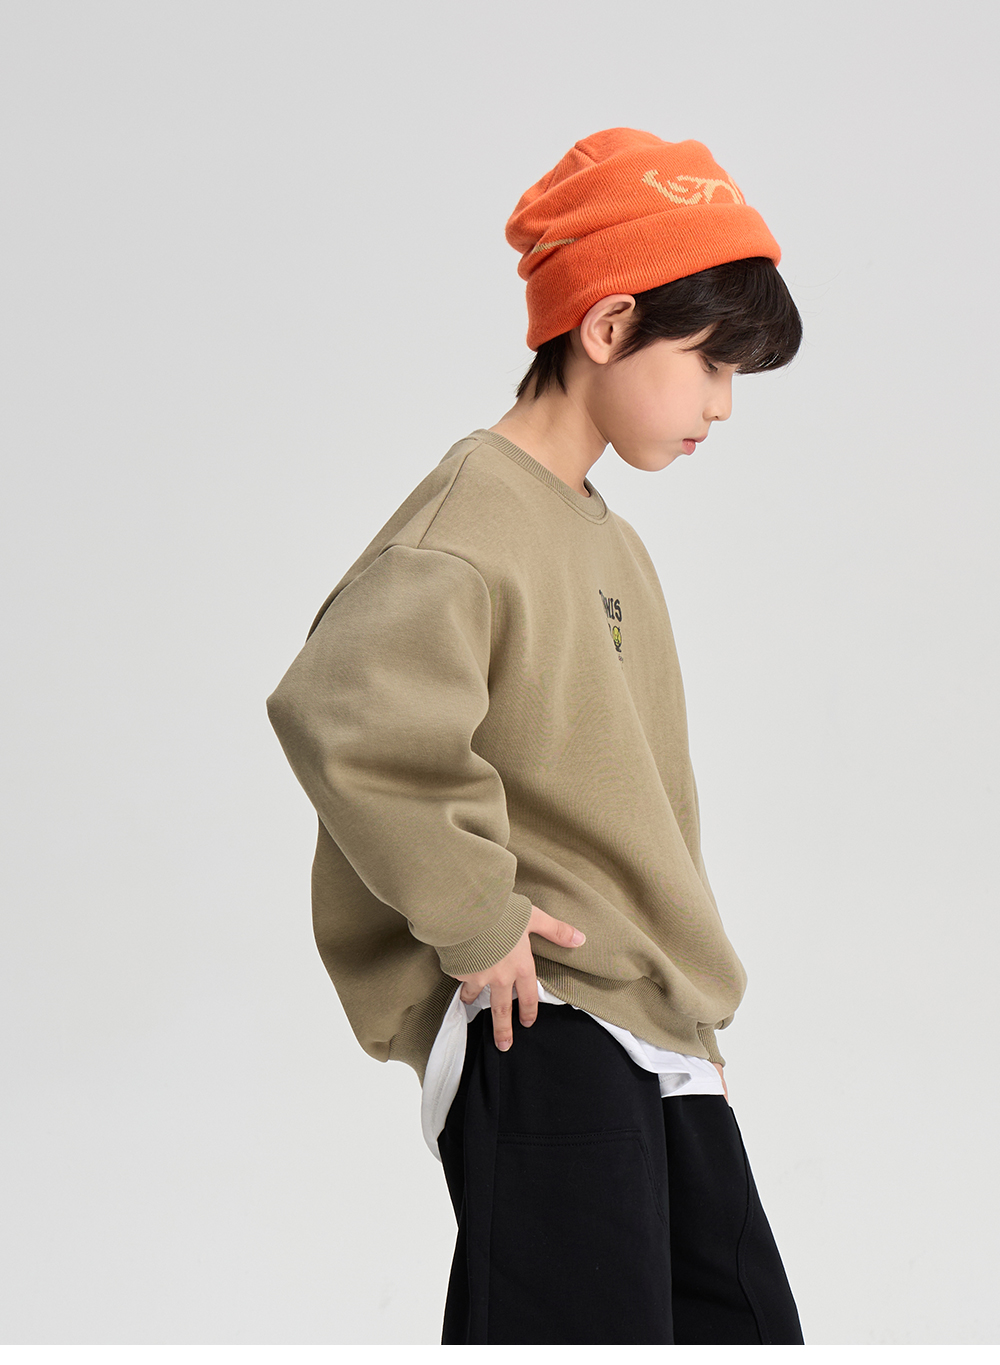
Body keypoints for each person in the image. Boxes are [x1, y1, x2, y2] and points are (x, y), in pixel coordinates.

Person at [266, 126, 805, 1345]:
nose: (722, 404)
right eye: (709, 362)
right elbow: (343, 709)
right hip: (543, 1018)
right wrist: (476, 914)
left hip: (651, 1025)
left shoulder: (605, 537)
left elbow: (635, 806)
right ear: (607, 326)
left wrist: (684, 1013)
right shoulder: (470, 519)